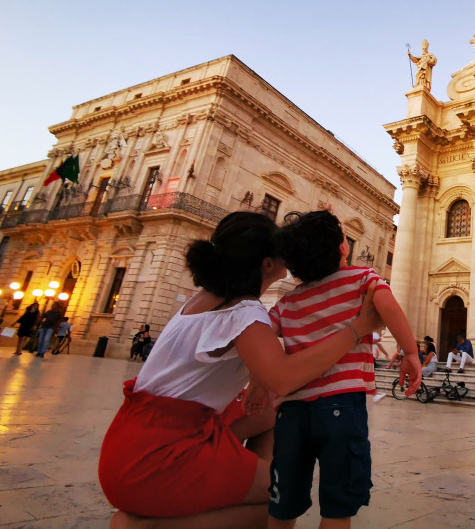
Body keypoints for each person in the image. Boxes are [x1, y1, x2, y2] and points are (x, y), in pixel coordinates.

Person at [98, 211, 388, 528]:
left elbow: (266, 378)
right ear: (267, 263)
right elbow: (285, 378)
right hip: (157, 461)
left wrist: (258, 384)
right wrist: (358, 328)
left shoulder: (202, 299)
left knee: (274, 411)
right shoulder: (244, 313)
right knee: (285, 496)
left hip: (128, 445)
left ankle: (241, 478)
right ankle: (143, 526)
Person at [265, 210, 421, 528]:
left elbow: (264, 336)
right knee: (337, 507)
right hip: (342, 406)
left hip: (292, 411)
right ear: (343, 248)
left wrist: (257, 382)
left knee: (284, 503)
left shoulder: (287, 303)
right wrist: (411, 352)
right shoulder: (361, 279)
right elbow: (388, 305)